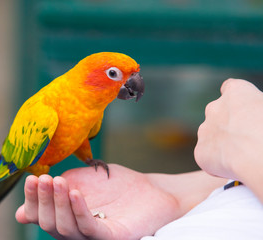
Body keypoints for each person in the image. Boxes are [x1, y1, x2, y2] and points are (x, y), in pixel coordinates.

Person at [15, 79, 263, 240]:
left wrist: (246, 145)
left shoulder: (92, 115)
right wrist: (172, 194)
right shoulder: (45, 112)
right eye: (114, 74)